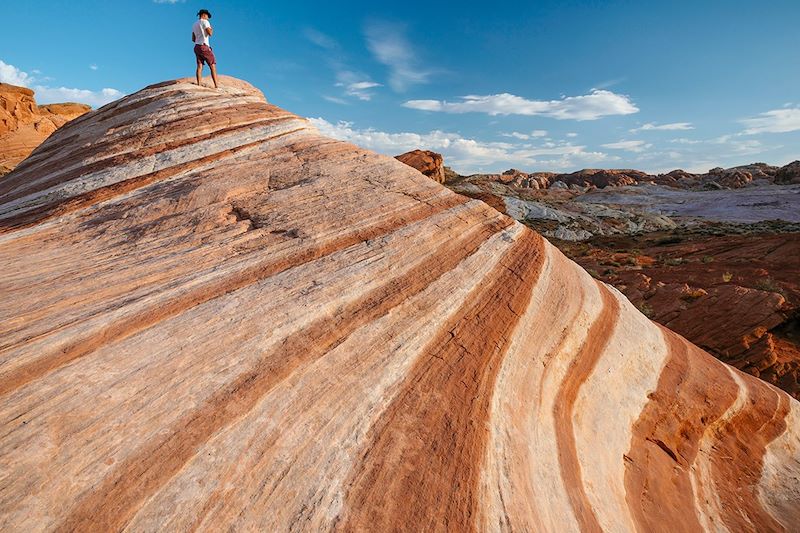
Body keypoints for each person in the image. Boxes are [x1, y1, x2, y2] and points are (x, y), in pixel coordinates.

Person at [192, 9, 219, 88]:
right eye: (207, 16)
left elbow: (193, 39)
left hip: (197, 47)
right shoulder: (205, 22)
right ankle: (216, 85)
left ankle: (199, 84)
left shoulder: (194, 24)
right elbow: (210, 33)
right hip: (204, 46)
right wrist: (211, 29)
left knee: (199, 66)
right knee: (212, 65)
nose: (208, 18)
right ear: (204, 15)